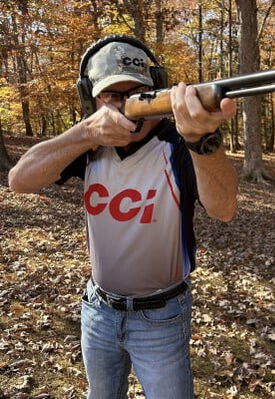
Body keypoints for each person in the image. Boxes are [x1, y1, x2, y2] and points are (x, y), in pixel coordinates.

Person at [8, 35, 238, 399]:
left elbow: (224, 209)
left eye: (138, 93)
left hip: (161, 316)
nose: (127, 105)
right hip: (98, 310)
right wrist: (84, 132)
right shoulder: (90, 144)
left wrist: (202, 140)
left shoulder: (177, 146)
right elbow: (19, 180)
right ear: (93, 100)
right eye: (113, 95)